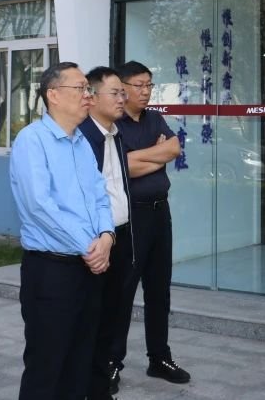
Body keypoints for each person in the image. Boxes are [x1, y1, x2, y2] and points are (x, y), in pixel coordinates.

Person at [10, 61, 115, 400]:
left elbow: (100, 195)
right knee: (48, 365)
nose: (88, 95)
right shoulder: (32, 140)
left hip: (90, 267)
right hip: (52, 271)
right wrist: (90, 246)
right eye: (81, 88)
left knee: (81, 360)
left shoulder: (82, 142)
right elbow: (40, 206)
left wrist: (107, 237)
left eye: (89, 89)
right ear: (53, 95)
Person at [108, 60, 189, 392]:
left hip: (159, 213)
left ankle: (160, 357)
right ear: (123, 88)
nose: (145, 91)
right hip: (132, 217)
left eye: (149, 85)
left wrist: (143, 156)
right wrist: (156, 153)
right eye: (139, 85)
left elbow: (174, 148)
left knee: (159, 290)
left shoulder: (155, 118)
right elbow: (120, 168)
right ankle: (112, 363)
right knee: (123, 291)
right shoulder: (114, 124)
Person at [78, 67, 133, 400]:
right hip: (95, 243)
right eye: (115, 93)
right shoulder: (83, 137)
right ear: (93, 97)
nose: (122, 99)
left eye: (122, 93)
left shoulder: (116, 133)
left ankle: (101, 387)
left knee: (112, 318)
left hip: (120, 236)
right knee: (91, 322)